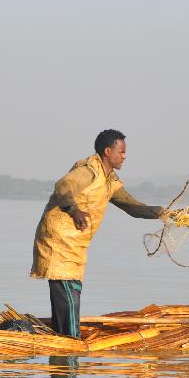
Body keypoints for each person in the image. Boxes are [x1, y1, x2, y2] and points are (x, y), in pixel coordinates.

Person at [30, 129, 165, 337]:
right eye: (121, 152)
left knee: (68, 294)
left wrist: (164, 213)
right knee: (69, 290)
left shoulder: (109, 180)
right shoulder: (89, 171)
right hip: (59, 241)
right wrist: (74, 210)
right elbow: (63, 186)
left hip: (74, 246)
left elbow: (133, 207)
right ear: (108, 151)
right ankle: (70, 343)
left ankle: (62, 339)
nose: (125, 156)